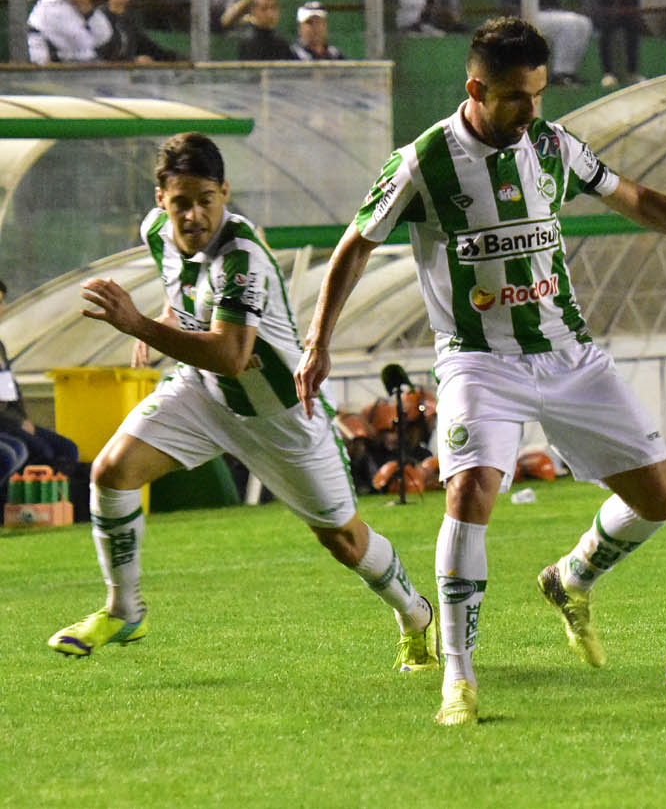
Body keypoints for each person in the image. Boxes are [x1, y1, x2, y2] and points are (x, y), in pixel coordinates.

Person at [294, 17, 666, 727]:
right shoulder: (423, 160)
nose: (531, 111)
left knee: (660, 496)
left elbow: (635, 199)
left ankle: (572, 577)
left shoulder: (552, 146)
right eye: (517, 97)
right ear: (476, 90)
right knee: (470, 495)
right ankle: (457, 676)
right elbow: (354, 247)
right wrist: (318, 341)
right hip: (478, 358)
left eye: (539, 94)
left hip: (568, 354)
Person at [47, 133, 439, 676]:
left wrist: (136, 324)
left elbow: (232, 355)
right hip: (203, 394)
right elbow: (181, 287)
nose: (193, 214)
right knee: (113, 471)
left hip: (278, 416)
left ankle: (416, 613)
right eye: (180, 201)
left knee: (345, 543)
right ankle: (124, 609)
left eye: (206, 199)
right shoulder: (156, 232)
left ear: (224, 192)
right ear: (161, 199)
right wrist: (163, 321)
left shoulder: (241, 256)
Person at [0, 279, 80, 474]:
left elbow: (9, 391)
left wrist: (23, 419)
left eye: (1, 302)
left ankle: (49, 502)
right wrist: (17, 423)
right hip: (5, 422)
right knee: (22, 452)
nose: (2, 309)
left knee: (67, 449)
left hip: (9, 419)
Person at [96, 0, 183, 62]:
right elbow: (102, 52)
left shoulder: (129, 19)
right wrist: (132, 60)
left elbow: (147, 45)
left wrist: (175, 58)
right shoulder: (99, 17)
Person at [220, 0, 297, 60]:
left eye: (273, 8)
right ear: (253, 11)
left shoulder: (280, 42)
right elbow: (226, 22)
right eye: (264, 9)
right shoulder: (246, 37)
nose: (270, 14)